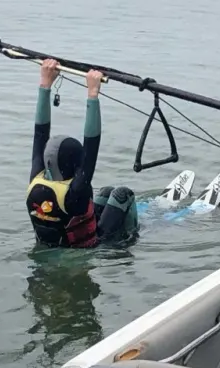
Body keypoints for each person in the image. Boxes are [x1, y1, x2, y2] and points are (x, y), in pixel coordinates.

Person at [26, 58, 139, 247]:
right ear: (75, 164)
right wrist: (93, 93)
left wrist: (45, 84)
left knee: (106, 192)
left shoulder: (35, 180)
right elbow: (92, 144)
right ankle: (130, 240)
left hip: (58, 238)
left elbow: (40, 133)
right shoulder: (75, 192)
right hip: (93, 245)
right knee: (122, 194)